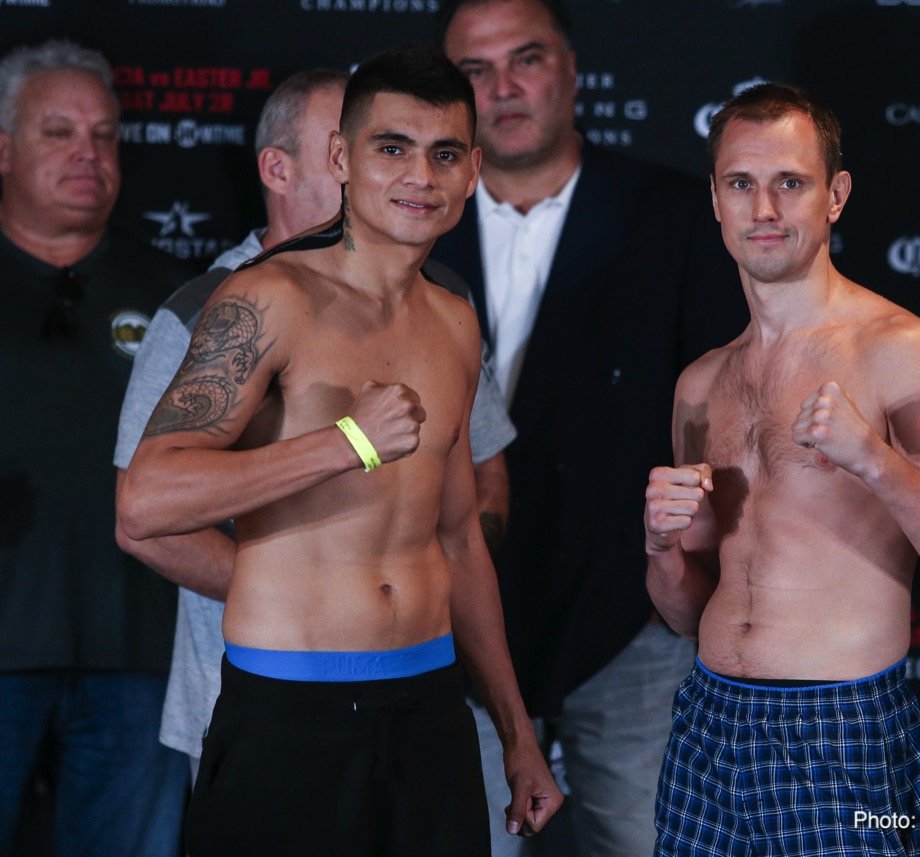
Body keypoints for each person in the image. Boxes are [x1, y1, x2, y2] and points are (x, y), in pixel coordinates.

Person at [117, 45, 560, 855]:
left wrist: (515, 731)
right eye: (392, 147)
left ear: (471, 174)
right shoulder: (265, 299)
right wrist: (346, 442)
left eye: (444, 154)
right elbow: (146, 500)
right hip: (291, 713)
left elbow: (460, 542)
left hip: (428, 705)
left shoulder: (454, 322)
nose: (419, 176)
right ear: (340, 159)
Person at [643, 83, 920, 857]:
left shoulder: (899, 348)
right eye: (741, 184)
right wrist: (663, 548)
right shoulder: (701, 383)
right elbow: (685, 610)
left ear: (835, 195)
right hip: (707, 721)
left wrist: (874, 462)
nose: (765, 209)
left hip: (837, 729)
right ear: (715, 199)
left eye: (791, 183)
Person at [436, 3, 749, 853]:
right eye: (473, 70)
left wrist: (678, 582)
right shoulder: (410, 226)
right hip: (449, 615)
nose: (502, 89)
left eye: (525, 59)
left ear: (571, 68)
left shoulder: (677, 217)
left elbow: (725, 415)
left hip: (631, 617)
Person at [0, 38, 191, 856]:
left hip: (139, 656)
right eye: (59, 132)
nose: (89, 153)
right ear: (3, 148)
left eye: (106, 135)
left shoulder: (184, 295)